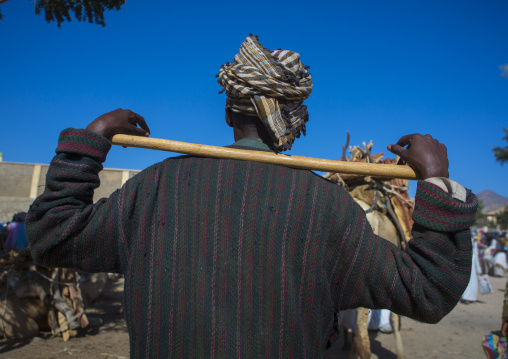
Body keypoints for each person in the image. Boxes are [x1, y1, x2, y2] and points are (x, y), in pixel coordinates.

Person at [25, 35, 478, 358]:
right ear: (295, 121)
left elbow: (51, 235)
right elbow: (429, 291)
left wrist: (92, 138)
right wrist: (436, 180)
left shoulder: (154, 188)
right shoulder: (329, 208)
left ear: (228, 112)